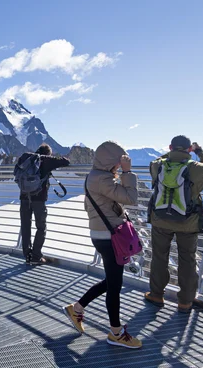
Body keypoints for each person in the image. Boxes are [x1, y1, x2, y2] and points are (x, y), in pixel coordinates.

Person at [63, 141, 142, 349]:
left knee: (111, 281)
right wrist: (128, 172)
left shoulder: (95, 176)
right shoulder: (102, 179)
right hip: (109, 238)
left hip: (103, 235)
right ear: (110, 162)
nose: (118, 167)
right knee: (114, 286)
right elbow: (131, 198)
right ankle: (116, 333)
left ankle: (77, 308)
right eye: (117, 163)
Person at [144, 136, 203, 313]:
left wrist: (172, 153)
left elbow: (154, 161)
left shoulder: (158, 165)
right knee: (187, 260)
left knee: (159, 257)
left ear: (170, 147)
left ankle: (156, 295)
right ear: (188, 150)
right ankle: (185, 302)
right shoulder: (195, 168)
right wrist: (199, 151)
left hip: (160, 219)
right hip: (187, 222)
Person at [17, 143, 70, 265]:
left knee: (25, 226)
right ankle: (36, 256)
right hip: (38, 200)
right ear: (48, 153)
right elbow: (64, 161)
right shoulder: (45, 160)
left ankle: (27, 256)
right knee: (41, 227)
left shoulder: (27, 159)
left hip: (24, 198)